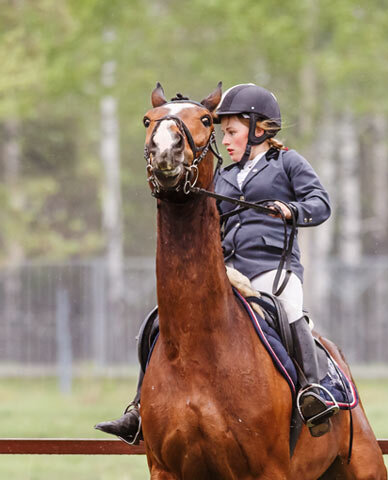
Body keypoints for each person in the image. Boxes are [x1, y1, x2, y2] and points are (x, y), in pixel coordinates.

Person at [96, 83, 338, 444]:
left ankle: (312, 390)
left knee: (290, 311)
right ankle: (139, 408)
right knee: (159, 321)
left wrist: (291, 210)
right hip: (228, 270)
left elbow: (321, 204)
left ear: (259, 130)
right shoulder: (222, 176)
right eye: (224, 133)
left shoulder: (288, 163)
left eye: (232, 132)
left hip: (272, 268)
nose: (225, 140)